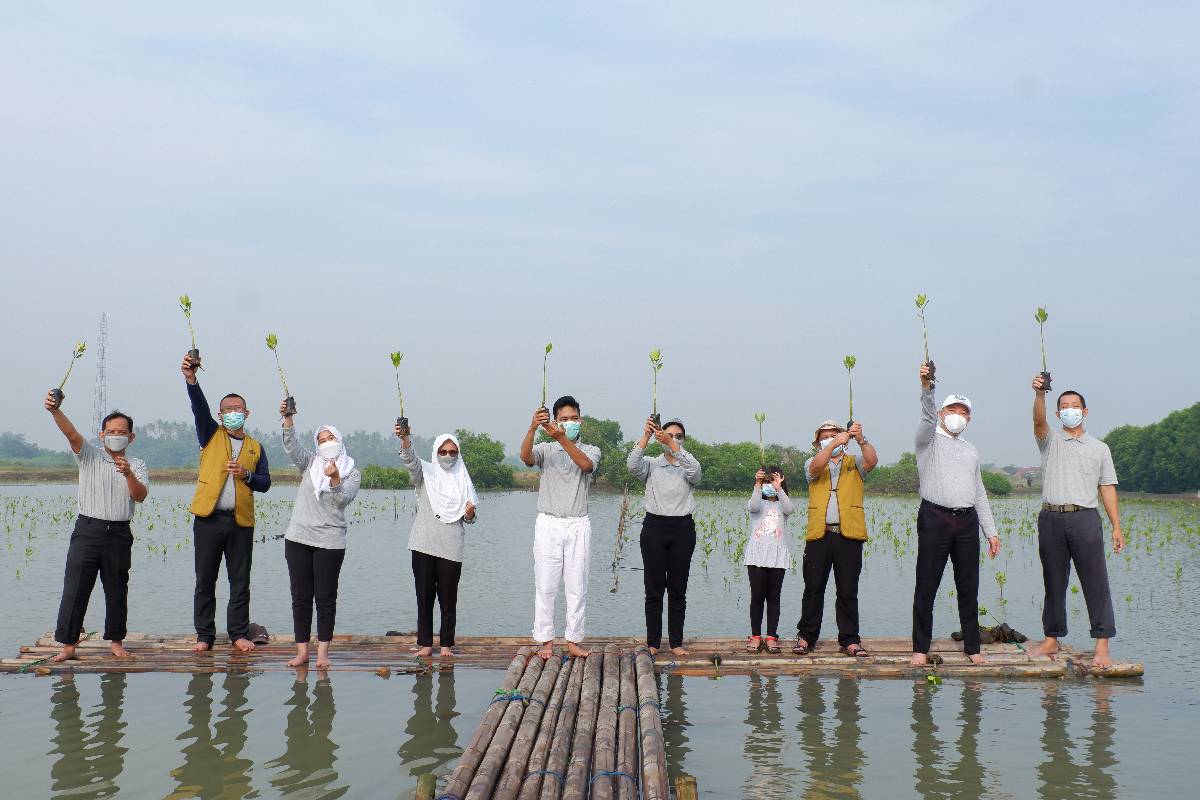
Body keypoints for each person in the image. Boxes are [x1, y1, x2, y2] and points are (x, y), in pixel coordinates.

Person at [44, 393, 149, 662]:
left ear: (131, 437)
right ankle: (68, 645)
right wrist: (56, 411)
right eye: (111, 431)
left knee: (117, 588)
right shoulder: (89, 454)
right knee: (76, 587)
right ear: (102, 435)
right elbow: (71, 434)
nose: (116, 435)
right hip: (87, 529)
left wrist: (127, 474)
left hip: (119, 532)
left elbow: (139, 496)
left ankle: (116, 641)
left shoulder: (137, 465)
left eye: (122, 432)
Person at [1030, 377, 1124, 668]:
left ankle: (1102, 644)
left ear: (1085, 411)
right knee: (1053, 582)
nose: (1070, 410)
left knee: (1096, 583)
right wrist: (1040, 395)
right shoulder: (1050, 441)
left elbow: (1107, 488)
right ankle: (1051, 638)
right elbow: (1038, 422)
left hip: (1085, 518)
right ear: (1058, 415)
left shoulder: (1100, 448)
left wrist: (1116, 526)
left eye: (1075, 406)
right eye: (1064, 407)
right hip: (1051, 518)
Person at [912, 363, 1000, 666]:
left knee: (968, 586)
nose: (957, 416)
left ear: (969, 418)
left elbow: (979, 493)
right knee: (926, 584)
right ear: (941, 413)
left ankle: (973, 648)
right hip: (935, 517)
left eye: (963, 412)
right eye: (952, 410)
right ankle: (920, 650)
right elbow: (925, 417)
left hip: (967, 522)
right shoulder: (928, 440)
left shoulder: (971, 450)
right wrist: (928, 388)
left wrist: (991, 531)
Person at [181, 354, 271, 653]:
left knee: (239, 582)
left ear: (247, 413)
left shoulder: (256, 447)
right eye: (227, 409)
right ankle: (204, 636)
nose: (233, 413)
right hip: (208, 519)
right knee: (205, 580)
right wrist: (192, 380)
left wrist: (246, 475)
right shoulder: (210, 435)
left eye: (237, 409)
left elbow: (265, 483)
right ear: (220, 415)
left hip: (240, 521)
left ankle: (238, 634)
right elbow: (198, 409)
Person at [279, 400, 361, 668]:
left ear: (340, 440)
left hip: (330, 542)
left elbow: (342, 501)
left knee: (325, 598)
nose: (327, 443)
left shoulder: (352, 471)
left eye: (331, 438)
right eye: (322, 439)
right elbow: (291, 448)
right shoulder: (310, 463)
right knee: (300, 598)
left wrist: (336, 479)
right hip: (298, 538)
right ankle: (302, 651)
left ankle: (323, 654)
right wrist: (288, 419)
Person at [519, 395, 601, 659]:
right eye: (563, 419)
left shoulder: (590, 449)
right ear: (555, 421)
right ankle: (545, 641)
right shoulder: (546, 449)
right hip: (549, 523)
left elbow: (586, 466)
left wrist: (562, 439)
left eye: (573, 419)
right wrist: (533, 428)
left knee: (577, 586)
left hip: (577, 523)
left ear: (581, 421)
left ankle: (574, 640)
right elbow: (525, 457)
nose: (569, 423)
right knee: (546, 585)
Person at [794, 419, 879, 657]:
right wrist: (831, 446)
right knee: (813, 588)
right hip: (819, 534)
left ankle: (850, 640)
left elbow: (872, 460)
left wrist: (860, 439)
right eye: (824, 436)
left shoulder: (855, 462)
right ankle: (806, 637)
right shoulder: (813, 461)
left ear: (845, 438)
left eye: (834, 434)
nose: (829, 438)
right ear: (818, 441)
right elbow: (814, 470)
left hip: (848, 534)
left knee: (848, 590)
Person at [396, 424, 478, 658]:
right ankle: (425, 645)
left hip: (451, 547)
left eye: (453, 452)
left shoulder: (463, 480)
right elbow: (410, 461)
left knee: (448, 598)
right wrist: (406, 438)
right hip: (423, 544)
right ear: (435, 453)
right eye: (443, 452)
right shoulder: (426, 474)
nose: (448, 456)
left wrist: (470, 513)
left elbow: (469, 518)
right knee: (424, 597)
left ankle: (445, 646)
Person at [627, 416, 702, 656]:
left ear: (682, 440)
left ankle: (677, 643)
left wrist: (673, 445)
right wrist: (646, 435)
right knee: (654, 589)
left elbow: (697, 473)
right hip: (654, 529)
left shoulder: (687, 464)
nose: (674, 438)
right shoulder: (651, 464)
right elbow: (631, 465)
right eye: (669, 434)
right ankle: (653, 642)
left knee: (678, 590)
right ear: (661, 437)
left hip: (682, 529)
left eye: (678, 436)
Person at [743, 466, 794, 654]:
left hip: (777, 556)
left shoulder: (782, 504)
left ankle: (771, 636)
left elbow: (790, 508)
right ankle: (756, 636)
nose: (769, 485)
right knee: (757, 597)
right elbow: (753, 506)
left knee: (774, 597)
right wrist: (757, 484)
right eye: (767, 481)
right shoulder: (758, 503)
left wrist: (779, 489)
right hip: (756, 556)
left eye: (773, 480)